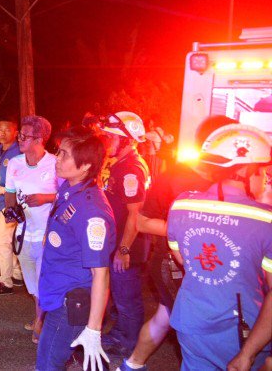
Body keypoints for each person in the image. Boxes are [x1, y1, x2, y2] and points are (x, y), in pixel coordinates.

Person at [118, 115, 237, 371]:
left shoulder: (234, 181)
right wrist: (193, 228)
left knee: (165, 317)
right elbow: (143, 222)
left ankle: (132, 364)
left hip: (213, 261)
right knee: (189, 321)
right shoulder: (175, 176)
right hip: (173, 263)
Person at [166, 123, 272, 370]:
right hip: (240, 336)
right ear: (246, 170)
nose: (266, 181)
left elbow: (182, 259)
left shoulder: (181, 205)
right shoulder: (266, 220)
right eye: (264, 174)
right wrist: (248, 354)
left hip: (191, 324)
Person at [36, 126, 115, 371]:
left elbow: (100, 273)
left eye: (64, 155)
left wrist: (93, 329)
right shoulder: (70, 188)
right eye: (58, 152)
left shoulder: (92, 211)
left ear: (85, 166)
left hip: (70, 303)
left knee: (48, 365)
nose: (56, 159)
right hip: (58, 292)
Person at [0, 115, 57, 343]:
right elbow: (10, 192)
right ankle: (40, 316)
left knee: (44, 281)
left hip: (46, 235)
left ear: (40, 139)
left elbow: (64, 196)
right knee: (32, 283)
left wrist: (45, 198)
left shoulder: (54, 163)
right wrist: (11, 211)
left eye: (24, 136)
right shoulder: (15, 163)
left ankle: (41, 323)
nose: (19, 139)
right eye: (20, 135)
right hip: (23, 234)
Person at [98, 112, 150, 357]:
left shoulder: (131, 170)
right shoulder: (120, 164)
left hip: (127, 246)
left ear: (128, 140)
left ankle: (128, 342)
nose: (106, 140)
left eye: (111, 137)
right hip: (118, 241)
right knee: (120, 295)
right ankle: (121, 332)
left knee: (127, 298)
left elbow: (134, 214)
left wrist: (123, 249)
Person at [0, 118, 24, 296]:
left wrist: (3, 191)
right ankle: (16, 274)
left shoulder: (19, 153)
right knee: (10, 241)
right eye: (0, 129)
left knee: (2, 244)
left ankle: (5, 282)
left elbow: (22, 180)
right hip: (1, 203)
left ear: (15, 133)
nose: (2, 133)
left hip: (13, 204)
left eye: (7, 130)